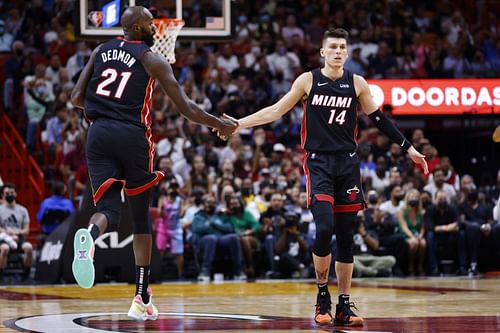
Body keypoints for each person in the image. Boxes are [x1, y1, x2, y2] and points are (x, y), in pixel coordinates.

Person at [217, 28, 428, 326]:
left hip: (348, 165)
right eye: (333, 47)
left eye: (343, 47)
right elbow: (276, 110)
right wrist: (240, 124)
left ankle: (343, 304)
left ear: (347, 52)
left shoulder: (357, 84)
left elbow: (379, 119)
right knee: (324, 227)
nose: (339, 51)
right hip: (318, 164)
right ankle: (321, 295)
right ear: (323, 52)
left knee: (346, 236)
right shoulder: (308, 80)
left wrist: (409, 149)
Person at [69, 6, 236, 321]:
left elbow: (77, 97)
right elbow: (185, 107)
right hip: (132, 136)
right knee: (141, 217)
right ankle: (139, 295)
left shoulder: (100, 50)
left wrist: (103, 109)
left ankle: (90, 236)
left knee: (108, 212)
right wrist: (219, 124)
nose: (154, 28)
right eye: (149, 23)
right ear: (134, 27)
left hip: (97, 134)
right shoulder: (151, 59)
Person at [0, 183, 33, 281]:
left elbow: (27, 230)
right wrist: (8, 233)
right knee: (5, 249)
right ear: (2, 195)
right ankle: (1, 275)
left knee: (29, 248)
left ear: (16, 194)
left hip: (19, 237)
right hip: (4, 237)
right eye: (7, 193)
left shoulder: (23, 210)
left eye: (12, 192)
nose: (10, 194)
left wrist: (17, 233)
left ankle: (26, 274)